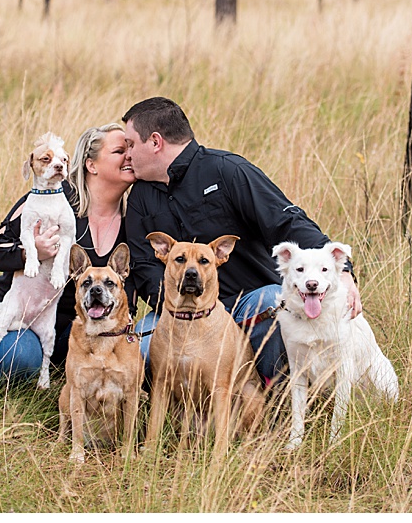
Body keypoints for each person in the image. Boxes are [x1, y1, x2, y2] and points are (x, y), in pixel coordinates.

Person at [121, 96, 361, 385]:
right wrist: (186, 307)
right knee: (142, 347)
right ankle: (183, 416)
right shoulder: (140, 199)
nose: (128, 155)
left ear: (156, 142)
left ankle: (275, 398)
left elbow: (286, 222)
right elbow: (144, 266)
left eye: (131, 144)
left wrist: (343, 271)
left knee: (276, 300)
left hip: (249, 305)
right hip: (180, 312)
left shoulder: (227, 170)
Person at [0, 123, 136, 388]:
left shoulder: (134, 217)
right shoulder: (51, 198)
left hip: (76, 328)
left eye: (131, 149)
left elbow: (130, 285)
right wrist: (30, 251)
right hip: (16, 317)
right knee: (20, 356)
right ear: (91, 165)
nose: (130, 156)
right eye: (119, 151)